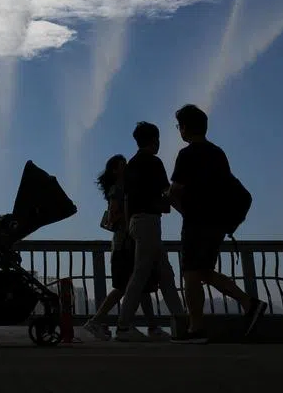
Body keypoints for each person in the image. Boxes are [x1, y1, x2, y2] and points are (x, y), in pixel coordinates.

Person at [167, 104, 265, 344]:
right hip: (217, 224)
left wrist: (172, 202)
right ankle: (249, 304)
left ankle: (196, 328)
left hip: (197, 223)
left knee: (191, 274)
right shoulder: (217, 153)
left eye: (180, 126)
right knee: (204, 271)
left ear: (186, 128)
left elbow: (176, 190)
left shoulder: (187, 154)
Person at [112, 123, 187, 342]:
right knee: (142, 272)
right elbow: (168, 192)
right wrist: (185, 212)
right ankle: (123, 325)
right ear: (154, 140)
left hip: (137, 223)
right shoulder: (154, 162)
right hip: (149, 223)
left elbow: (126, 200)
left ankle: (180, 320)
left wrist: (128, 227)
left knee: (164, 272)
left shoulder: (132, 165)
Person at [82, 155, 166, 341]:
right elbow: (113, 216)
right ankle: (95, 322)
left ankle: (152, 326)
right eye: (123, 165)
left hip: (126, 243)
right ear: (115, 170)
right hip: (124, 244)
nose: (127, 168)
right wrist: (131, 218)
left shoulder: (123, 188)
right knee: (124, 286)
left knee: (140, 285)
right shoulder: (118, 189)